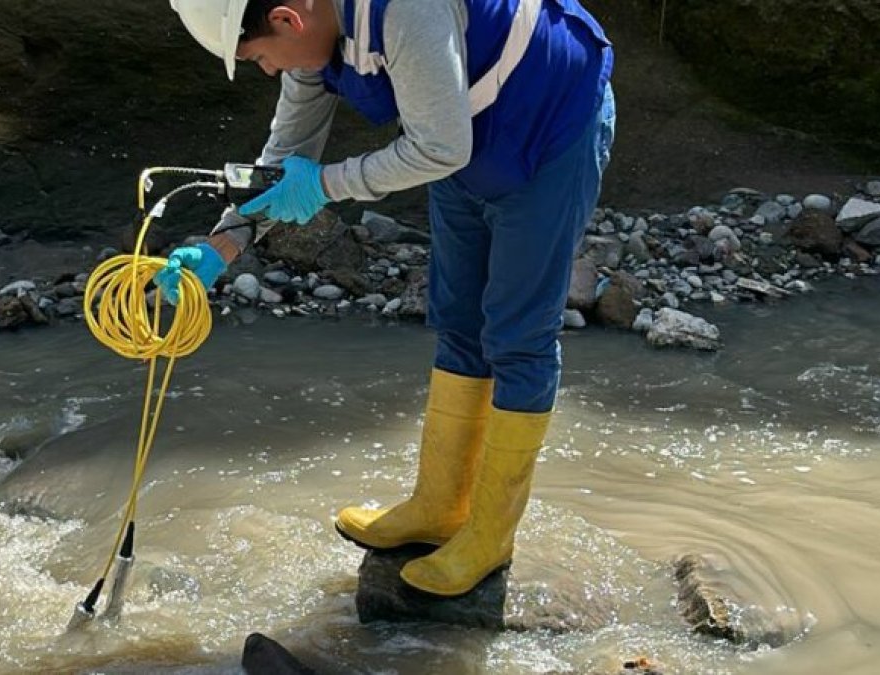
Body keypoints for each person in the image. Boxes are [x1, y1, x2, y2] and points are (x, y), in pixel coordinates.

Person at [162, 0, 615, 597]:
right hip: (462, 134)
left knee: (518, 337)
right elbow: (285, 155)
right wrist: (224, 244)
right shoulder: (311, 47)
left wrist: (324, 187)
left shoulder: (407, 10)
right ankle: (439, 506)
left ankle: (490, 536)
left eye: (258, 59)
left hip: (550, 126)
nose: (267, 72)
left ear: (286, 20)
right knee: (457, 320)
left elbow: (438, 149)